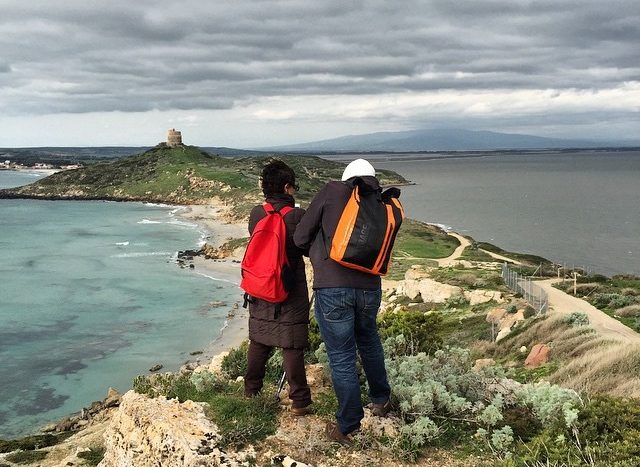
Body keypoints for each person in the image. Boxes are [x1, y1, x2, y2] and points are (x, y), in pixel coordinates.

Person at [293, 158, 392, 445]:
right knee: (370, 342)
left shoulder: (332, 191)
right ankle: (381, 400)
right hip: (370, 289)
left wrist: (318, 248)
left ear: (347, 177)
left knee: (341, 356)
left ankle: (348, 426)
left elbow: (300, 237)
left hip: (333, 288)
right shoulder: (383, 202)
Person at [244, 160, 312, 415]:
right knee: (291, 344)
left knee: (259, 340)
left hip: (260, 285)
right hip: (289, 288)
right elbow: (305, 248)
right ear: (287, 187)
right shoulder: (297, 216)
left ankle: (251, 392)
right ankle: (300, 401)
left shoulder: (256, 214)